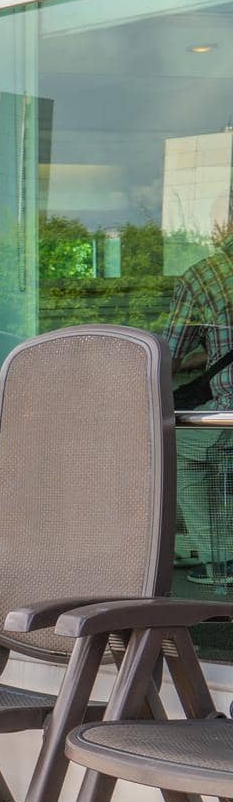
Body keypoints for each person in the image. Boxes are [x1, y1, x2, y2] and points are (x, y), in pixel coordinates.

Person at [165, 232, 233, 586]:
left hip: (229, 414)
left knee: (178, 451)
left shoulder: (205, 276)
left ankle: (220, 557)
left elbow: (167, 357)